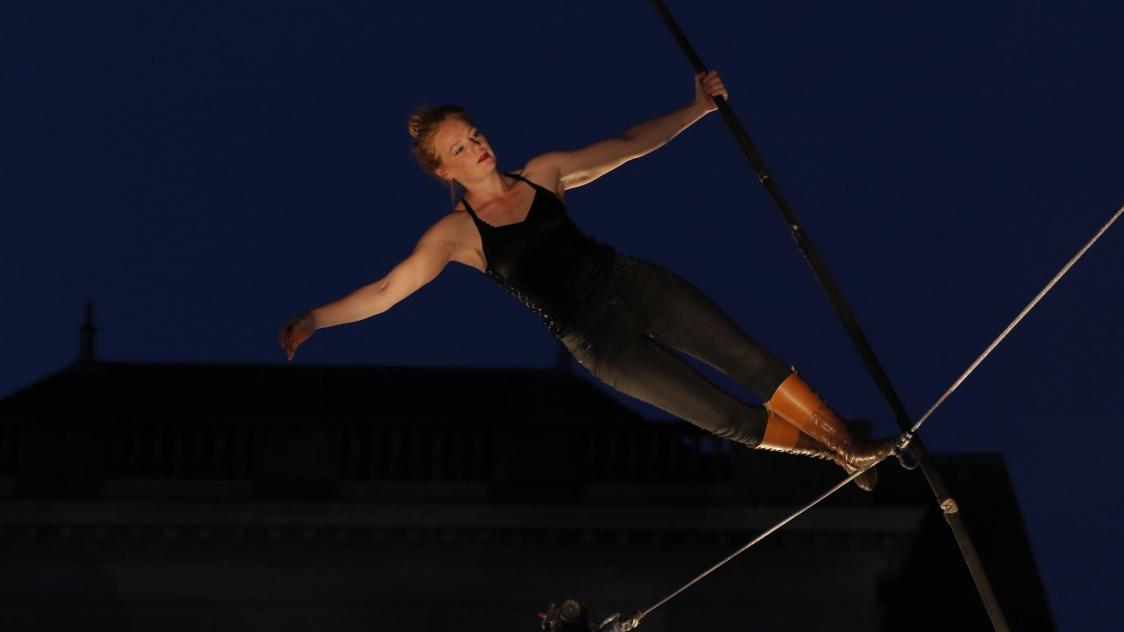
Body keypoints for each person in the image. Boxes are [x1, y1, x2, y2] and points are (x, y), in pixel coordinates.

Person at [279, 70, 895, 490]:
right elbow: (387, 291)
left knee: (749, 361)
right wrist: (315, 319)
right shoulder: (455, 236)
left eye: (475, 136)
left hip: (633, 284)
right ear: (443, 170)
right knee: (722, 417)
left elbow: (627, 144)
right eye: (461, 150)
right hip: (601, 344)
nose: (478, 148)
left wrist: (698, 108)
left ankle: (846, 440)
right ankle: (834, 455)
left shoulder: (543, 173)